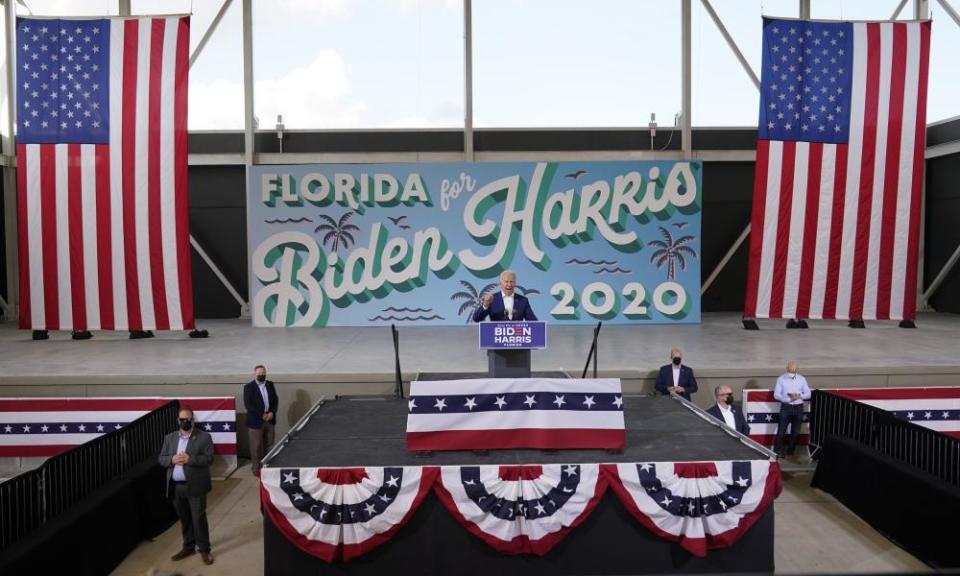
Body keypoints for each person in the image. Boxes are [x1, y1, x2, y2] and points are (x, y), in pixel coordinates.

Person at [158, 406, 215, 565]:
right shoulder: (169, 438)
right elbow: (161, 459)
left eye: (188, 419)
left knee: (198, 518)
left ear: (193, 420)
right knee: (185, 519)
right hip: (177, 487)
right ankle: (188, 546)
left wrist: (190, 460)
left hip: (196, 486)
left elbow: (209, 459)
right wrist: (171, 459)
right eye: (182, 419)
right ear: (178, 421)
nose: (185, 422)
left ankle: (204, 550)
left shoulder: (204, 437)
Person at [244, 364, 279, 476]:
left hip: (269, 420)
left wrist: (272, 412)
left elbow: (275, 400)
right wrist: (262, 415)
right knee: (256, 446)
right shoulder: (248, 387)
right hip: (256, 422)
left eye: (263, 373)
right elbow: (249, 405)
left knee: (269, 443)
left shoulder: (270, 384)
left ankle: (267, 465)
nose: (261, 375)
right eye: (259, 374)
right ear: (254, 374)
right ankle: (256, 468)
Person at [773, 361, 811, 457]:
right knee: (781, 432)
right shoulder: (781, 379)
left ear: (797, 369)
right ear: (786, 368)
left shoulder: (802, 379)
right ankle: (776, 453)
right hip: (786, 407)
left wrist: (799, 396)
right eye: (790, 370)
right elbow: (776, 395)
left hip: (798, 408)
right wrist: (788, 399)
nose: (792, 372)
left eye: (794, 370)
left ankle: (790, 453)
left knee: (795, 432)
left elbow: (808, 394)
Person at [472, 270, 537, 322]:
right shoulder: (492, 299)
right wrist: (485, 305)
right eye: (506, 282)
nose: (509, 284)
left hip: (517, 337)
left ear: (515, 283)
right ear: (500, 284)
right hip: (496, 337)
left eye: (512, 282)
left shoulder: (523, 300)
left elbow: (534, 322)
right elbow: (476, 318)